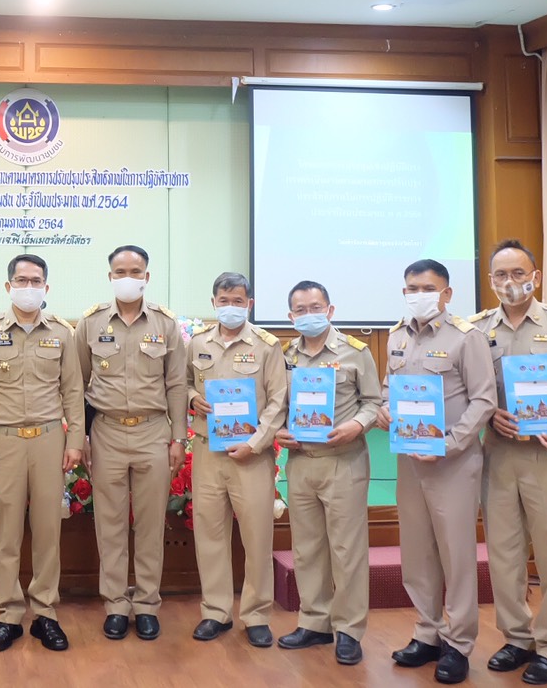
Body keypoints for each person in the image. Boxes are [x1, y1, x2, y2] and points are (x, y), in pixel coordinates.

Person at [470, 240, 547, 685]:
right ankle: (517, 638)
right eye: (501, 275)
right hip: (499, 454)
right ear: (490, 282)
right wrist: (488, 415)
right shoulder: (478, 329)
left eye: (519, 273)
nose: (510, 283)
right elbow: (471, 393)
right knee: (503, 553)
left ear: (535, 277)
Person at [377, 259, 495, 685]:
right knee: (417, 551)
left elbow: (484, 400)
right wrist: (386, 411)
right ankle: (426, 632)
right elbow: (389, 388)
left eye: (427, 287)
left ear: (447, 293)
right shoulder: (395, 336)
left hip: (453, 463)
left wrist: (449, 443)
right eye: (410, 288)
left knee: (457, 555)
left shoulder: (467, 338)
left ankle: (458, 643)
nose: (417, 294)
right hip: (409, 461)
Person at [0, 253, 84, 653]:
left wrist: (75, 441)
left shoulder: (62, 333)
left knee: (49, 529)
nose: (28, 287)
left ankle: (46, 612)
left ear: (46, 288)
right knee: (7, 530)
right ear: (8, 286)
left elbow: (73, 392)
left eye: (36, 281)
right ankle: (8, 613)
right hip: (6, 439)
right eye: (21, 280)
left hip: (50, 438)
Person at [74, 244, 186, 642]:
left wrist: (178, 438)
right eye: (120, 271)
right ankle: (116, 604)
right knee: (110, 523)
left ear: (147, 276)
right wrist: (81, 435)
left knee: (152, 522)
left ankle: (148, 603)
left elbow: (176, 383)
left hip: (154, 431)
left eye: (135, 271)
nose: (127, 277)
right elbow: (77, 386)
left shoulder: (166, 324)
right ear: (110, 277)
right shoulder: (89, 324)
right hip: (106, 431)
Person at [275, 280, 381, 665]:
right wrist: (278, 431)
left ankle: (349, 629)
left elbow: (373, 402)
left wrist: (358, 425)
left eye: (316, 307)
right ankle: (314, 622)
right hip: (301, 462)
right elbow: (276, 404)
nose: (309, 315)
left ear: (331, 310)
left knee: (347, 551)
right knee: (307, 549)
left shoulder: (355, 352)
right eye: (300, 310)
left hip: (344, 461)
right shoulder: (285, 355)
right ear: (290, 316)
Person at [186, 271, 288, 649]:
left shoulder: (267, 345)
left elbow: (279, 400)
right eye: (224, 300)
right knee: (209, 533)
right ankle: (215, 611)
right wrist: (191, 399)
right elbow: (180, 383)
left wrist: (257, 443)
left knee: (257, 535)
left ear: (250, 303)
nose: (231, 307)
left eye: (238, 300)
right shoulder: (197, 343)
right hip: (207, 450)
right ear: (213, 302)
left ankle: (257, 614)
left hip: (251, 455)